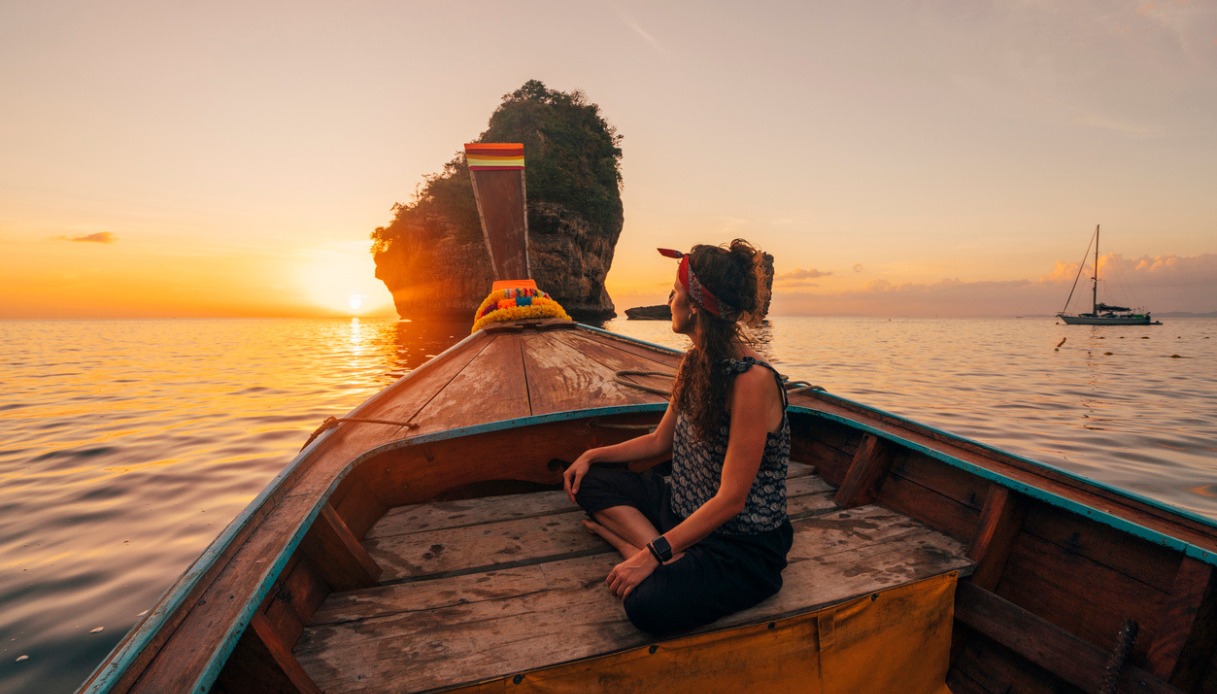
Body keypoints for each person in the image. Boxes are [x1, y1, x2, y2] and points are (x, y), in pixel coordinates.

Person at [563, 239, 792, 635]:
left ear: (694, 308)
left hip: (739, 546)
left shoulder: (752, 382)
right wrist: (591, 454)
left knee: (645, 606)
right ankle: (667, 556)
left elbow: (732, 500)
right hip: (684, 509)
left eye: (676, 292)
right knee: (589, 479)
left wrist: (646, 554)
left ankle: (643, 551)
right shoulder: (695, 362)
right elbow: (658, 443)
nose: (669, 299)